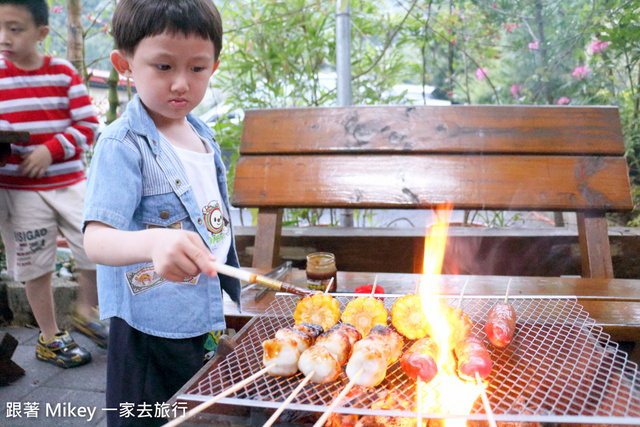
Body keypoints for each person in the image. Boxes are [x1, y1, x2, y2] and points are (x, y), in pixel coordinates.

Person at [82, 0, 241, 424]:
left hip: (201, 310)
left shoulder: (200, 132)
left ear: (214, 66)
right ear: (125, 65)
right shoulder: (123, 144)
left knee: (191, 411)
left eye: (197, 68)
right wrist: (154, 241)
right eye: (164, 67)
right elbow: (95, 239)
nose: (181, 84)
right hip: (148, 326)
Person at [0, 0, 107, 369]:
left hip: (70, 182)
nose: (4, 38)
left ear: (42, 33)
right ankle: (49, 337)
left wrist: (51, 148)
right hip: (18, 190)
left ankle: (86, 312)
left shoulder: (61, 73)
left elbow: (88, 125)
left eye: (15, 28)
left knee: (95, 246)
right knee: (35, 265)